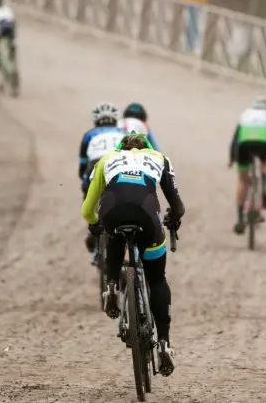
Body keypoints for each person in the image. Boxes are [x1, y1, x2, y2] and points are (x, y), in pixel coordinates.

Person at [81, 132, 184, 377]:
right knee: (157, 278)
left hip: (113, 211)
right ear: (146, 146)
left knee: (113, 232)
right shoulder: (159, 158)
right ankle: (164, 344)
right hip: (147, 215)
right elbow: (177, 204)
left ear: (121, 147)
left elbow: (87, 209)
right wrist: (174, 219)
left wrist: (95, 224)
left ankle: (112, 287)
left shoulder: (107, 159)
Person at [228, 97, 266, 235]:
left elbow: (234, 140)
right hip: (263, 144)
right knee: (264, 162)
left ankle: (240, 219)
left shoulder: (245, 115)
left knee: (242, 181)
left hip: (244, 144)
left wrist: (232, 159)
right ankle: (263, 187)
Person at [78, 102, 126, 196]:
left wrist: (84, 180)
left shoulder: (89, 134)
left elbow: (83, 163)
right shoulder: (125, 133)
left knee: (88, 192)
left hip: (96, 165)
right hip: (121, 163)